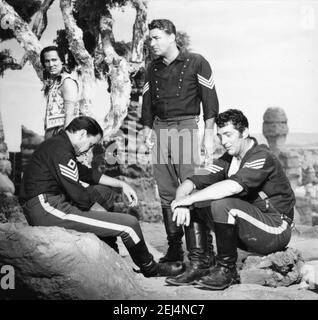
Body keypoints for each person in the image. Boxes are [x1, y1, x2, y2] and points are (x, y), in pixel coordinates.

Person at [19, 116, 184, 278]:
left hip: (50, 203)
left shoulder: (59, 144)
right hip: (47, 209)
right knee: (129, 225)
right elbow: (80, 197)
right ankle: (151, 268)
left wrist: (122, 185)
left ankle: (110, 248)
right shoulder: (61, 150)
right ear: (82, 134)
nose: (88, 150)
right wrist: (109, 219)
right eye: (91, 144)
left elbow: (87, 174)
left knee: (105, 193)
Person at [165, 109, 296, 289]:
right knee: (196, 201)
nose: (223, 141)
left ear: (245, 132)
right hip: (251, 228)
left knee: (222, 204)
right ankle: (200, 265)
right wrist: (182, 201)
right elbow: (193, 179)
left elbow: (233, 186)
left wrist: (187, 200)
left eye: (228, 135)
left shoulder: (262, 156)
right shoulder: (228, 159)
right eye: (220, 136)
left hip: (276, 228)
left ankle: (227, 271)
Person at [141, 19, 219, 267]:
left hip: (186, 125)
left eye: (156, 38)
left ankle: (202, 252)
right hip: (159, 128)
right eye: (150, 38)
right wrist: (146, 130)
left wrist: (208, 134)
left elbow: (210, 100)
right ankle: (175, 249)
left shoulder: (196, 61)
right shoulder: (151, 68)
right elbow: (146, 102)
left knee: (191, 186)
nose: (151, 43)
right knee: (165, 189)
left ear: (172, 36)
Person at [40, 46, 80, 140]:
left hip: (62, 135)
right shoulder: (53, 83)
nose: (50, 64)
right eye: (47, 61)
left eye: (54, 60)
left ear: (62, 61)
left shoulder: (67, 82)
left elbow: (70, 114)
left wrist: (64, 139)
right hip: (51, 134)